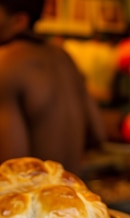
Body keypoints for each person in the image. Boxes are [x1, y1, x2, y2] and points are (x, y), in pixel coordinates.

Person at [0, 0, 106, 175]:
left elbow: (11, 167)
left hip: (29, 199)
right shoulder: (64, 57)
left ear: (19, 21)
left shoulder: (6, 63)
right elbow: (98, 134)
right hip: (70, 192)